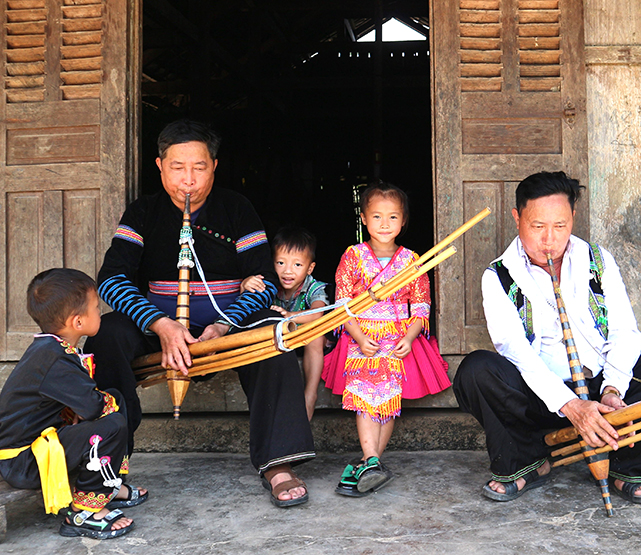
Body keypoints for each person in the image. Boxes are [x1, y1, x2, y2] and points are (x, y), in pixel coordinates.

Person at [84, 119, 313, 508]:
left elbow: (265, 281)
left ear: (215, 166)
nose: (188, 179)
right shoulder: (143, 212)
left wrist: (225, 324)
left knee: (275, 333)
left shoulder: (236, 209)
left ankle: (278, 463)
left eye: (199, 167)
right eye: (177, 167)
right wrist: (160, 323)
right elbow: (110, 278)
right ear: (159, 166)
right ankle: (108, 464)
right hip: (159, 322)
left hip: (229, 320)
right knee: (106, 335)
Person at [453, 171, 641, 504]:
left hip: (601, 383)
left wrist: (613, 389)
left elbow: (625, 331)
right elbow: (515, 352)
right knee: (476, 371)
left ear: (573, 218)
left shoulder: (597, 260)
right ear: (517, 218)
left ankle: (628, 465)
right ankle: (527, 461)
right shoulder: (498, 275)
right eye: (537, 227)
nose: (549, 240)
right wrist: (572, 406)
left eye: (560, 226)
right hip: (541, 398)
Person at [0, 268, 148, 540]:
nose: (100, 312)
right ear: (77, 322)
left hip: (41, 443)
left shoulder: (55, 348)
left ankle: (109, 484)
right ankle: (84, 512)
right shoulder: (54, 359)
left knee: (115, 397)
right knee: (111, 423)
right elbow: (94, 408)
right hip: (24, 461)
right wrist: (98, 412)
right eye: (96, 308)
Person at [321, 181, 451, 497]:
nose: (384, 224)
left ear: (403, 221)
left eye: (393, 217)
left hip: (395, 338)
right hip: (361, 337)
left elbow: (421, 303)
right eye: (377, 216)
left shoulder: (412, 259)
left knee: (388, 402)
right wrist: (357, 335)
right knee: (365, 400)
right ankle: (372, 462)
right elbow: (342, 303)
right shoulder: (352, 256)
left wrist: (410, 336)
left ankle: (371, 465)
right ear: (363, 218)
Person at [240, 226, 330, 420]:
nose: (288, 271)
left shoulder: (314, 287)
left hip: (304, 337)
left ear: (310, 268)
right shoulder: (270, 285)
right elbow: (246, 305)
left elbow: (317, 314)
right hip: (279, 340)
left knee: (316, 334)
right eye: (280, 263)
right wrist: (245, 284)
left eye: (297, 265)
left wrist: (289, 315)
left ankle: (310, 394)